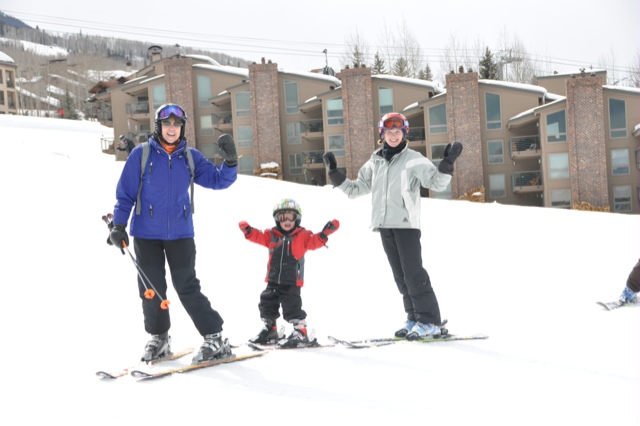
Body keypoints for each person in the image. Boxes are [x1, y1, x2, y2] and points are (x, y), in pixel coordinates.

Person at [108, 103, 239, 364]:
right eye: (167, 124)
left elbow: (218, 180)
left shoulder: (190, 157)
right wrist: (118, 226)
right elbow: (125, 195)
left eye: (177, 124)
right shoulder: (141, 155)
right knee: (151, 289)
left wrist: (231, 162)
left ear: (182, 128)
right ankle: (159, 338)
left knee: (187, 286)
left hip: (180, 234)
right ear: (158, 127)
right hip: (146, 234)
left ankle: (214, 336)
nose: (172, 128)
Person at [322, 112, 463, 340]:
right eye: (389, 132)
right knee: (401, 277)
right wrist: (335, 174)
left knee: (414, 274)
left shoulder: (414, 159)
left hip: (407, 225)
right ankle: (414, 317)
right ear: (382, 134)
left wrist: (447, 163)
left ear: (404, 133)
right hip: (384, 225)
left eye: (398, 132)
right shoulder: (374, 162)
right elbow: (356, 189)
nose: (394, 135)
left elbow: (436, 183)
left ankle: (430, 321)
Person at [238, 198, 339, 348]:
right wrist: (249, 231)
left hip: (291, 281)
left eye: (290, 217)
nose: (286, 221)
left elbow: (314, 242)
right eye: (282, 217)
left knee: (292, 306)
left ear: (297, 218)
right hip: (273, 279)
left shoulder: (303, 236)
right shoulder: (271, 235)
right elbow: (258, 236)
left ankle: (301, 332)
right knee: (267, 302)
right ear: (277, 219)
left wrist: (324, 234)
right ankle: (270, 329)